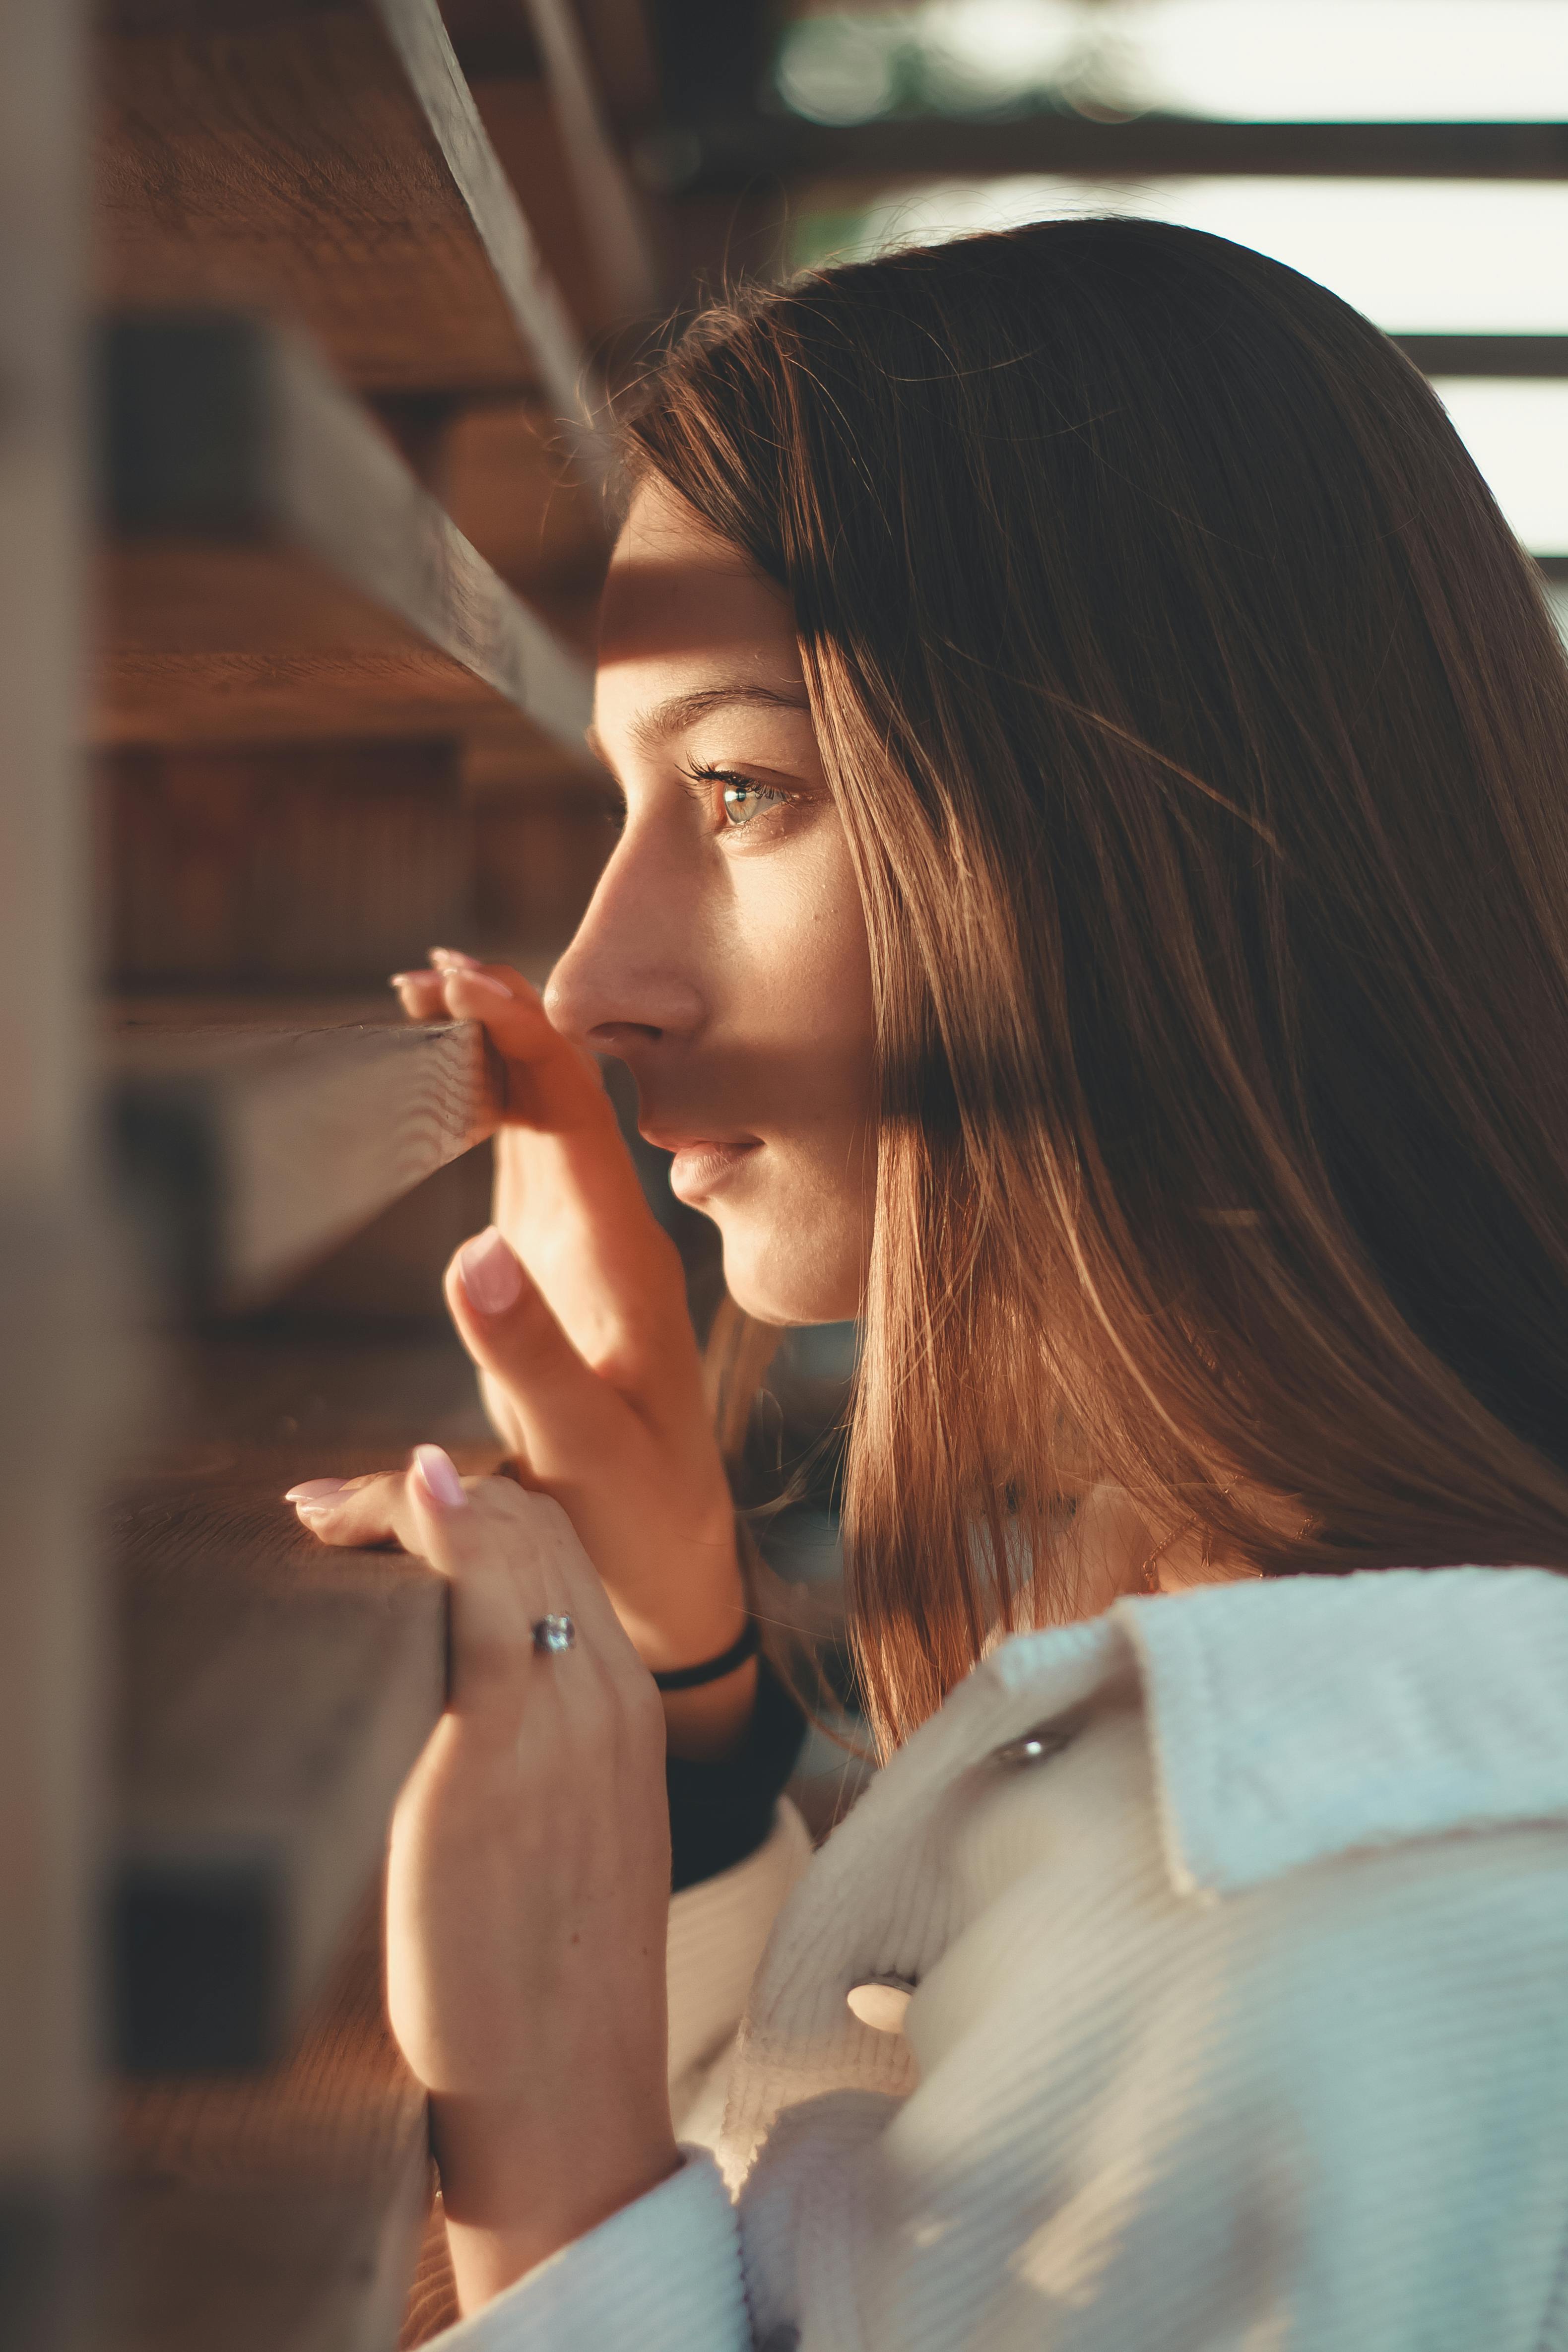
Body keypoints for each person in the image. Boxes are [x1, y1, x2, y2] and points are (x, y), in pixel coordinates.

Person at [286, 220, 1568, 2348]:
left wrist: (548, 2162)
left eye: (740, 787)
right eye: (634, 806)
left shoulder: (1338, 1899)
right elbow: (884, 2229)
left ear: (1137, 837)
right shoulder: (1253, 1700)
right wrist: (687, 1708)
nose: (595, 981)